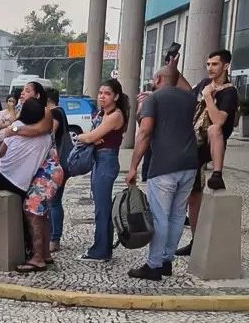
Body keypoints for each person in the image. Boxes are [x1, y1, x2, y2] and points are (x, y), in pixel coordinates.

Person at [125, 66, 199, 281]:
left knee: (160, 216)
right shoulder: (189, 98)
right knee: (177, 215)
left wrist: (133, 167)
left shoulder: (153, 99)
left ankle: (154, 265)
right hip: (189, 163)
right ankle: (167, 261)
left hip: (164, 165)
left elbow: (146, 131)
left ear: (157, 78)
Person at [171, 50, 237, 256]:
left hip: (211, 141)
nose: (210, 68)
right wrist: (174, 70)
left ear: (225, 66)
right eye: (208, 64)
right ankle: (196, 241)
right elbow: (187, 90)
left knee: (214, 129)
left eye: (215, 64)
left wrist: (208, 97)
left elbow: (219, 120)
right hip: (194, 143)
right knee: (194, 196)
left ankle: (217, 173)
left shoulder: (229, 92)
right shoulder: (203, 84)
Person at [0, 98, 55, 272]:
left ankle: (37, 257)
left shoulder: (15, 129)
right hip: (24, 182)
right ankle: (40, 253)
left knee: (31, 215)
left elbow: (1, 152)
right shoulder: (47, 135)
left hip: (4, 175)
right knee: (35, 216)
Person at [76, 79, 129, 262]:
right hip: (99, 159)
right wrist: (91, 138)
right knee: (102, 206)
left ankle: (100, 249)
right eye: (100, 93)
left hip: (107, 160)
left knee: (102, 208)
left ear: (115, 96)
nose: (102, 97)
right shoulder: (102, 113)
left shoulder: (115, 115)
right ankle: (102, 246)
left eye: (106, 93)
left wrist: (83, 137)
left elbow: (92, 136)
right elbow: (94, 137)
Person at [46, 88, 70, 253]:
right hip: (60, 163)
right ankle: (54, 236)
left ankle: (55, 238)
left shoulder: (55, 113)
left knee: (54, 201)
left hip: (57, 163)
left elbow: (50, 134)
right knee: (54, 201)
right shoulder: (60, 111)